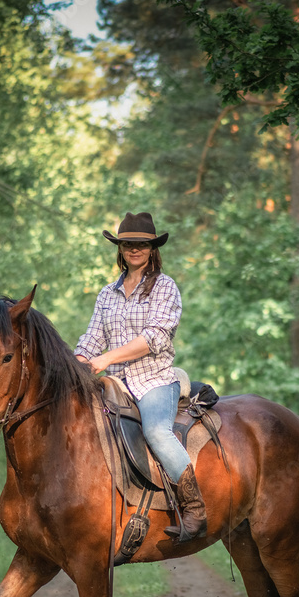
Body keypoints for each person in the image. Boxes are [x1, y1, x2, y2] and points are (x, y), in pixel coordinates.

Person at [74, 212, 207, 542]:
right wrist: (75, 364)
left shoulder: (165, 287)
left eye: (142, 244)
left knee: (156, 431)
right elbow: (91, 340)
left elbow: (155, 338)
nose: (135, 249)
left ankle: (195, 510)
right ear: (120, 248)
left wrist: (105, 359)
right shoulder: (106, 294)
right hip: (114, 384)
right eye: (128, 244)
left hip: (154, 380)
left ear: (152, 248)